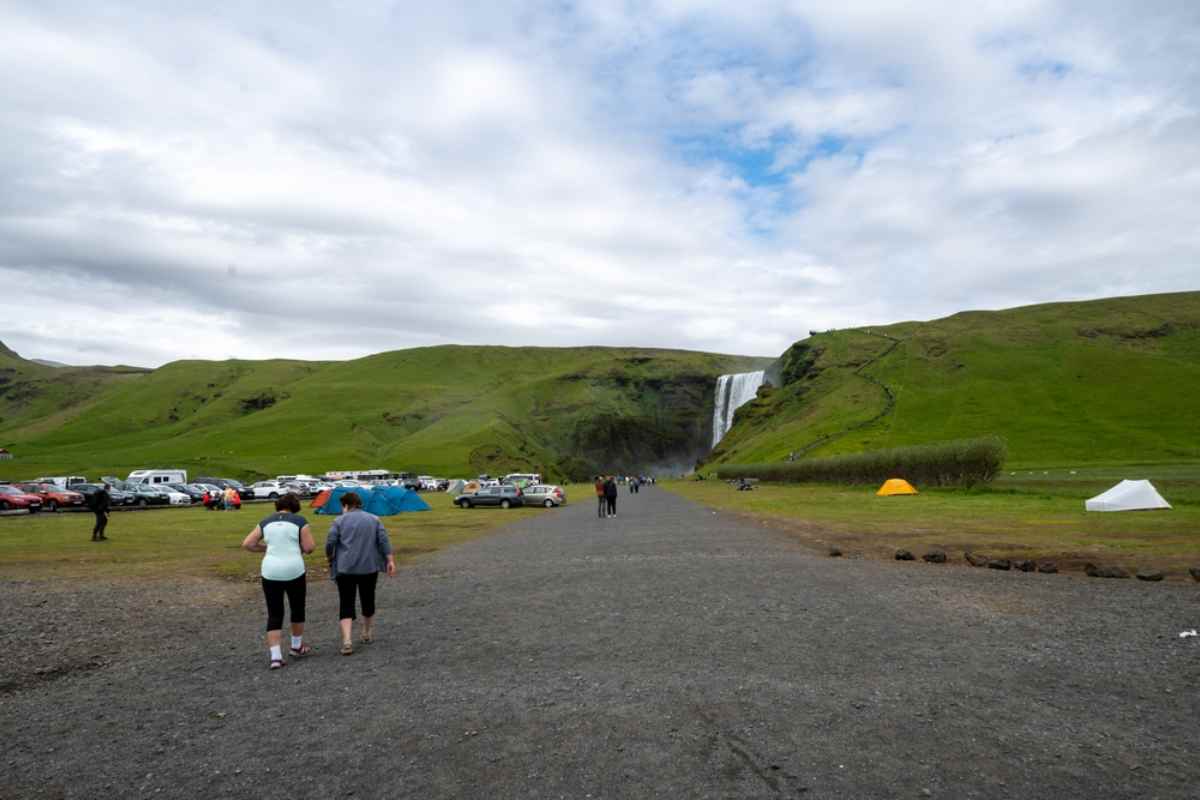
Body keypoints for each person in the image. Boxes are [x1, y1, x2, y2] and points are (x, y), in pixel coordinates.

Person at [241, 494, 315, 670]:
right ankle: (296, 646)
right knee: (297, 607)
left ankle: (275, 656)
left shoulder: (266, 522)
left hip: (271, 570)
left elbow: (248, 544)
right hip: (294, 569)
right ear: (295, 506)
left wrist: (266, 548)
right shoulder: (300, 521)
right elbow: (309, 547)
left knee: (274, 612)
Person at [325, 490, 395, 656]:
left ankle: (347, 640)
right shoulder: (374, 519)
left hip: (345, 568)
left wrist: (330, 555)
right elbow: (383, 541)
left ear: (345, 505)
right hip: (369, 567)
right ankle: (367, 632)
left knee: (346, 602)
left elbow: (330, 542)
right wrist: (390, 560)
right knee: (368, 598)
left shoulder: (339, 521)